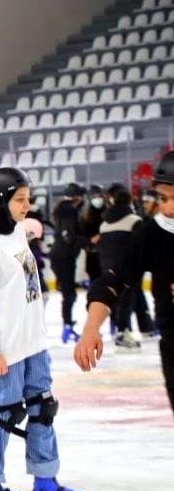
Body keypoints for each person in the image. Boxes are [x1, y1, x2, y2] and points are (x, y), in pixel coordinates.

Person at [0, 167, 86, 491]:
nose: (27, 206)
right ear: (1, 201)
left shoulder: (17, 233)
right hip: (5, 349)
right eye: (20, 200)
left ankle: (46, 481)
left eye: (28, 199)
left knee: (43, 408)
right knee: (6, 412)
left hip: (33, 343)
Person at [75, 151, 174, 416]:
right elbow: (112, 282)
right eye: (163, 199)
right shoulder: (153, 233)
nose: (169, 208)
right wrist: (91, 328)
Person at [96, 184, 151, 349]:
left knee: (118, 299)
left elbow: (102, 248)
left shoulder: (104, 224)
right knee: (127, 299)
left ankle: (129, 329)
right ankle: (123, 332)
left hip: (107, 267)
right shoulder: (134, 221)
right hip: (127, 266)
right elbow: (142, 245)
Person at [49, 183, 89, 343]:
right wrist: (88, 241)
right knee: (69, 294)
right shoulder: (69, 212)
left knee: (69, 293)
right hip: (63, 257)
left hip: (61, 257)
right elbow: (68, 236)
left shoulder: (63, 211)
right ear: (77, 198)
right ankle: (67, 327)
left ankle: (67, 325)